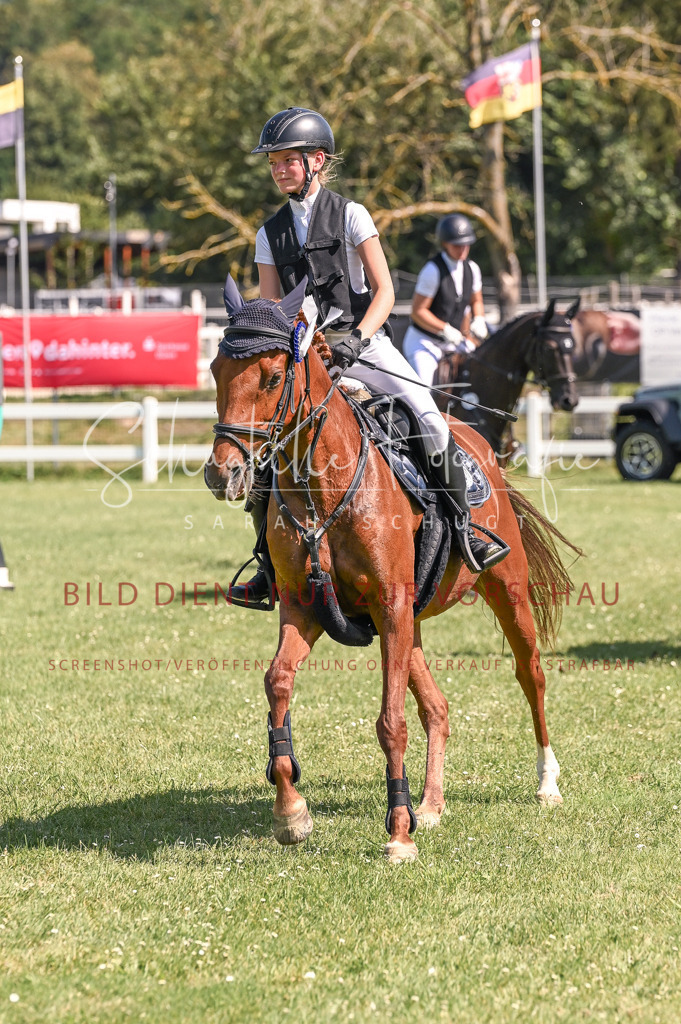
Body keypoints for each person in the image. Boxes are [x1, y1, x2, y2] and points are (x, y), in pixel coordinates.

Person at [231, 108, 506, 607]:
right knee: (269, 450)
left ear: (316, 161)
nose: (277, 170)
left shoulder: (352, 214)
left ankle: (468, 530)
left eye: (287, 161)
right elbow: (273, 307)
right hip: (305, 355)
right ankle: (266, 567)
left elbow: (384, 292)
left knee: (428, 414)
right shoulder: (268, 234)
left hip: (364, 343)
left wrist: (357, 338)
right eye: (273, 163)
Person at [403, 214, 489, 387]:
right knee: (424, 390)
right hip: (424, 343)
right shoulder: (432, 270)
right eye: (457, 245)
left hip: (455, 342)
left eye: (466, 244)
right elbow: (418, 312)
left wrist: (479, 319)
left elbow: (476, 301)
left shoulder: (472, 268)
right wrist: (444, 329)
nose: (463, 248)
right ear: (444, 243)